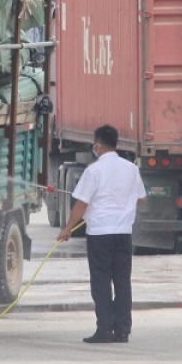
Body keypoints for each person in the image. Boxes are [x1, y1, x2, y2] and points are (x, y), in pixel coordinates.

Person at [57, 124, 147, 344]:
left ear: (97, 145)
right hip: (123, 233)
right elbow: (142, 199)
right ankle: (123, 331)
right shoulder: (131, 169)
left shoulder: (94, 171)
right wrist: (122, 202)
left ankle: (105, 330)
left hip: (100, 234)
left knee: (101, 282)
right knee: (122, 281)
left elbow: (81, 204)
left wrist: (67, 228)